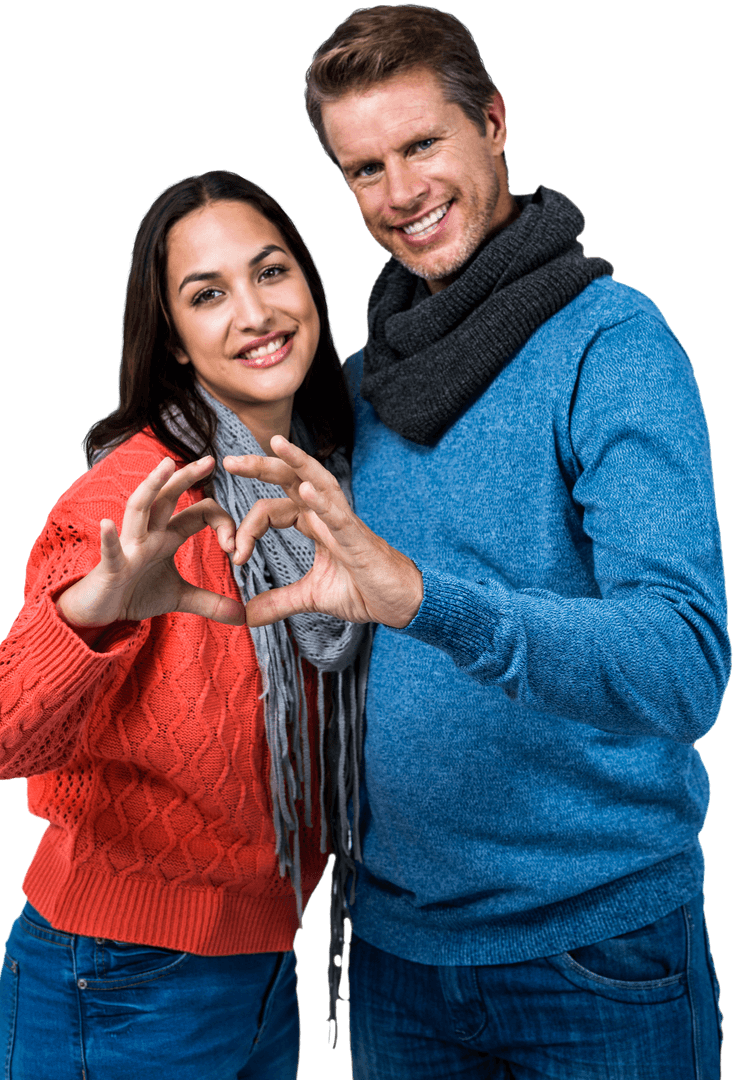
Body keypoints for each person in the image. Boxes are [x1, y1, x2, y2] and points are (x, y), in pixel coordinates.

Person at [222, 6, 731, 1077]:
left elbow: (684, 665)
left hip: (595, 956)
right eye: (364, 169)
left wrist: (426, 599)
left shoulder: (612, 347)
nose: (400, 193)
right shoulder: (361, 385)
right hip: (399, 960)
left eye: (421, 145)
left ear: (493, 123)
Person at [0, 169, 368, 1080]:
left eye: (271, 272)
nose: (254, 313)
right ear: (174, 340)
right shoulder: (136, 497)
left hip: (259, 972)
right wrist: (94, 611)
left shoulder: (322, 484)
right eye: (207, 294)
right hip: (117, 976)